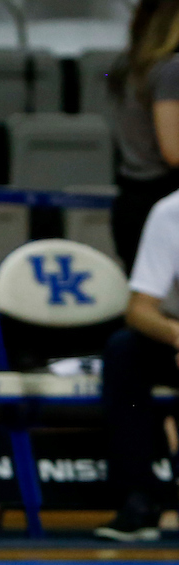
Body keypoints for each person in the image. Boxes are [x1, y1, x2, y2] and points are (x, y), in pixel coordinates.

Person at [98, 188, 179, 542]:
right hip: (175, 337)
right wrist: (176, 335)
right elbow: (140, 309)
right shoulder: (170, 212)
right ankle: (138, 498)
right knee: (124, 351)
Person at [109, 0, 179, 269]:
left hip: (130, 201)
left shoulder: (128, 65)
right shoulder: (171, 69)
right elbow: (173, 151)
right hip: (161, 202)